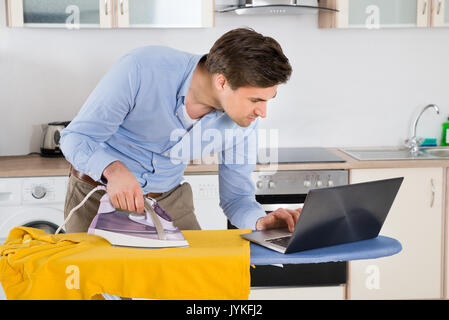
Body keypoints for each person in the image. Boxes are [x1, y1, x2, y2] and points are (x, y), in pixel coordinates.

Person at [60, 27, 300, 234]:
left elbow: (237, 199)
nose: (262, 112)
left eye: (269, 100)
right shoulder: (143, 68)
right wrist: (112, 169)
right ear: (222, 82)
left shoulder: (243, 123)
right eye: (255, 100)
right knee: (98, 285)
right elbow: (75, 138)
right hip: (97, 195)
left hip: (168, 201)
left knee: (195, 282)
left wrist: (260, 221)